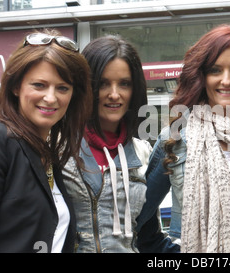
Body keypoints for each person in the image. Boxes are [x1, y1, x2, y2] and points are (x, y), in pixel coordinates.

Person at [136, 24, 230, 253]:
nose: (227, 80)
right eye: (215, 70)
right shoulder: (175, 138)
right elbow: (140, 216)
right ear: (201, 75)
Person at [0, 29, 92, 252]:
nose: (51, 98)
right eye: (39, 85)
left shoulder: (46, 153)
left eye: (62, 88)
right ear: (16, 86)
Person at [62, 35, 176, 253]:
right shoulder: (57, 149)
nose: (114, 94)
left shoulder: (143, 152)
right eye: (103, 83)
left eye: (124, 84)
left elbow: (149, 239)